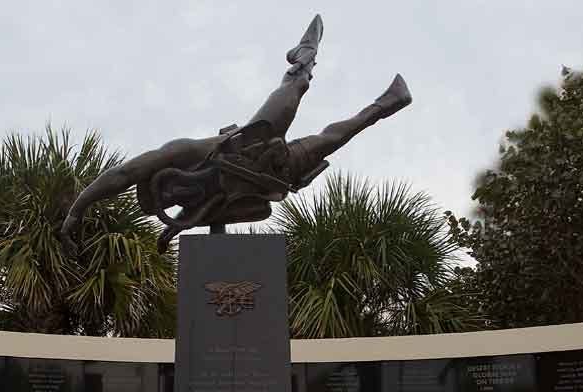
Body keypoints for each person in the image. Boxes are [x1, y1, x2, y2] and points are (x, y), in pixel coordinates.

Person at [61, 14, 413, 253]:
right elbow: (196, 217)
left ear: (161, 178)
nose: (172, 195)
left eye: (165, 190)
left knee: (294, 87)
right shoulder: (191, 207)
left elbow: (122, 174)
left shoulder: (181, 153)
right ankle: (389, 102)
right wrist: (172, 230)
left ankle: (305, 52)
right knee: (333, 138)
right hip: (269, 172)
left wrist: (80, 206)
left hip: (248, 143)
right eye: (168, 200)